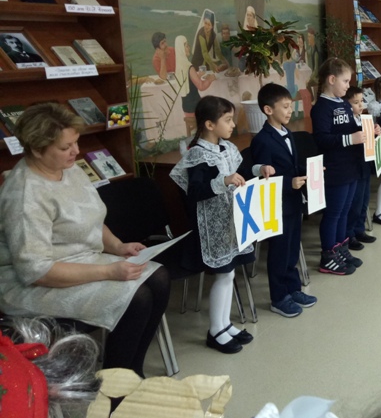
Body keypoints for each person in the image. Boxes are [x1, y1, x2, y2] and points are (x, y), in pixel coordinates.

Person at [0, 103, 169, 376]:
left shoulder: (68, 169)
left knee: (159, 278)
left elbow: (90, 218)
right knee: (137, 297)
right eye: (66, 147)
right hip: (34, 283)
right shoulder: (25, 194)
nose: (76, 152)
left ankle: (132, 372)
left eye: (76, 143)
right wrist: (108, 271)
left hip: (81, 260)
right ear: (37, 149)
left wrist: (117, 246)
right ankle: (114, 384)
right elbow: (36, 271)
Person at [170, 96, 256, 354]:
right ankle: (215, 330)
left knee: (229, 273)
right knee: (223, 274)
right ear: (209, 124)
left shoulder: (227, 147)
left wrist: (259, 169)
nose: (233, 125)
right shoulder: (197, 155)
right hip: (211, 227)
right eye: (227, 120)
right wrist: (224, 181)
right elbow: (195, 192)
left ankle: (225, 324)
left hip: (229, 221)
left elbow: (242, 171)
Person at [250, 83, 317, 318]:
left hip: (293, 202)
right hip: (276, 205)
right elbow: (264, 177)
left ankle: (293, 288)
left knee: (292, 247)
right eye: (285, 107)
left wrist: (311, 171)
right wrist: (289, 183)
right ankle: (278, 298)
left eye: (291, 106)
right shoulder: (262, 140)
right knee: (279, 251)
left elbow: (292, 165)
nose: (290, 111)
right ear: (268, 110)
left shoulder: (286, 132)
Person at [310, 58, 366, 274]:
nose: (347, 85)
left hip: (351, 165)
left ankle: (341, 248)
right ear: (332, 79)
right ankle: (328, 255)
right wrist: (351, 139)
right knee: (333, 213)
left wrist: (367, 131)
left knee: (344, 211)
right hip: (335, 168)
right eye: (345, 81)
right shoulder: (321, 108)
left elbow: (351, 128)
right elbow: (322, 139)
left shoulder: (343, 103)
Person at [344, 86, 379, 249]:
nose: (360, 105)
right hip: (354, 165)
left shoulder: (364, 119)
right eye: (355, 102)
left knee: (364, 200)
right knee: (355, 202)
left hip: (365, 163)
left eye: (361, 101)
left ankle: (359, 229)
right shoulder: (347, 122)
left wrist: (375, 132)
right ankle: (349, 234)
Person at [176, 35, 215, 137]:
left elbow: (188, 81)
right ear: (181, 48)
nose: (188, 48)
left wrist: (198, 76)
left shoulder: (179, 65)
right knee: (214, 109)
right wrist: (210, 79)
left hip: (186, 107)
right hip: (195, 107)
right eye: (186, 46)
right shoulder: (189, 67)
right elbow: (201, 86)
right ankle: (210, 138)